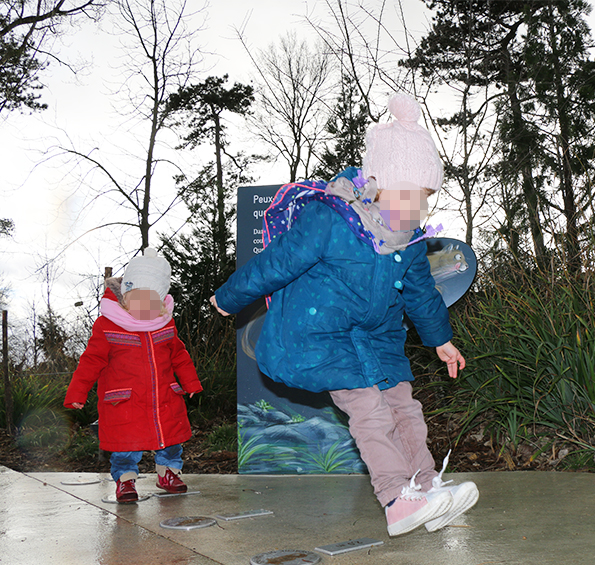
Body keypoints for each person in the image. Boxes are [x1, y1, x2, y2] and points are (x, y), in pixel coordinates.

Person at [210, 92, 478, 536]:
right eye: (407, 196)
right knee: (371, 410)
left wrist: (441, 339)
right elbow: (278, 262)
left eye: (424, 199)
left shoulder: (409, 241)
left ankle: (427, 488)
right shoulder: (330, 219)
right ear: (377, 182)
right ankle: (396, 498)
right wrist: (229, 297)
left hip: (377, 339)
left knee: (404, 408)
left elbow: (421, 292)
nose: (415, 209)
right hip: (323, 336)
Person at [65, 247, 202, 503]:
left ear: (162, 303)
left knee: (169, 439)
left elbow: (179, 354)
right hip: (125, 400)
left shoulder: (165, 323)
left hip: (163, 397)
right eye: (138, 300)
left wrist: (190, 381)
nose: (145, 308)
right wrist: (77, 392)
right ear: (125, 298)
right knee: (125, 444)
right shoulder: (108, 325)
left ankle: (169, 472)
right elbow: (90, 361)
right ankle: (125, 480)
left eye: (152, 303)